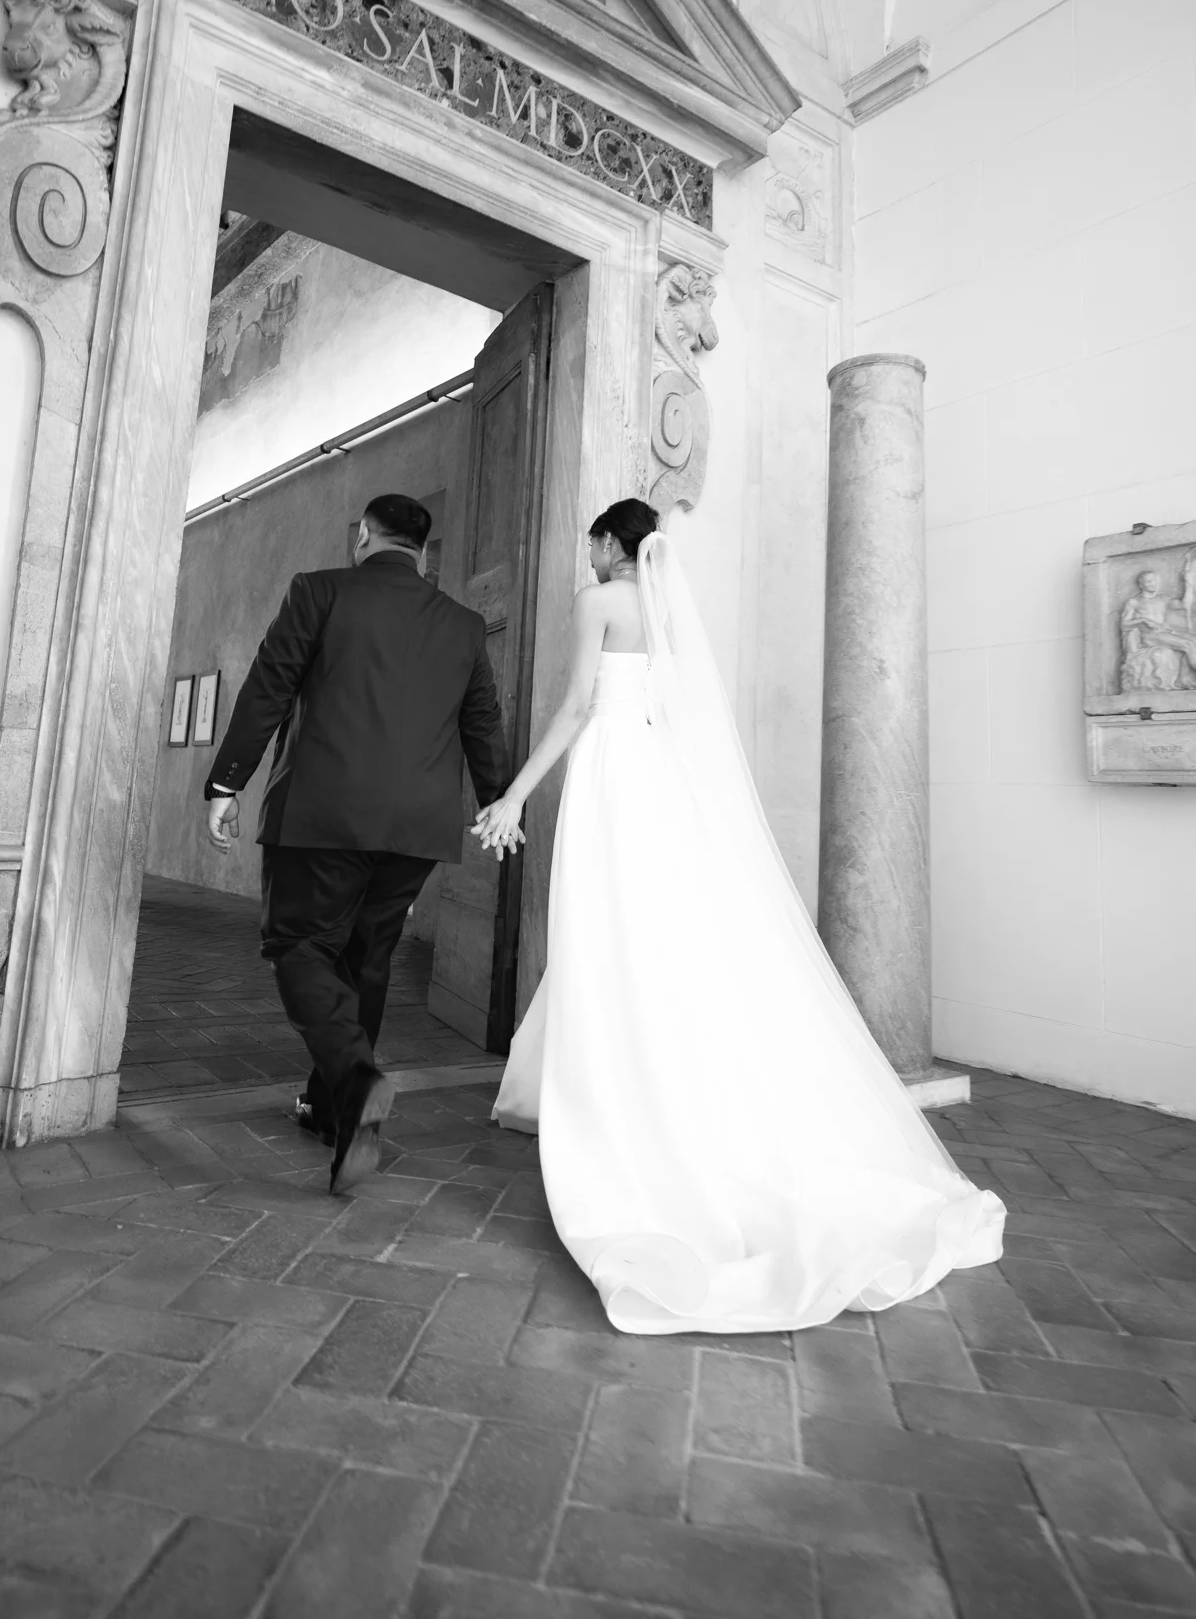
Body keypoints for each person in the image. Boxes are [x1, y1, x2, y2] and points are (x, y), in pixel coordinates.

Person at [475, 498, 1005, 1335]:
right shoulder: (671, 613)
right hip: (660, 784)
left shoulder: (602, 602)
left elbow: (578, 708)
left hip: (613, 777)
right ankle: (618, 1083)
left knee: (607, 939)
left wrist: (512, 795)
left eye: (592, 544)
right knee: (653, 942)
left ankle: (619, 1105)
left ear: (611, 545)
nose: (588, 557)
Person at [205, 492, 509, 1195]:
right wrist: (496, 801)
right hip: (415, 826)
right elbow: (481, 723)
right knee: (366, 960)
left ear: (362, 537)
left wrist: (227, 783)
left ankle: (354, 1077)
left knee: (300, 946)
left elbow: (268, 688)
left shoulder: (319, 592)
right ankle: (331, 1111)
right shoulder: (462, 625)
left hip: (322, 811)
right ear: (424, 552)